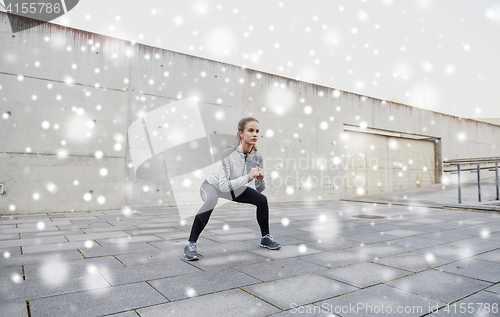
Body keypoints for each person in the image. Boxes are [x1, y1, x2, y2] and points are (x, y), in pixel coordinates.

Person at [184, 117, 281, 260]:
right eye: (251, 130)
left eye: (257, 131)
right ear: (241, 133)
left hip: (235, 189)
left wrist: (260, 180)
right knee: (211, 200)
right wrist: (249, 177)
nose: (255, 134)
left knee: (262, 199)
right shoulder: (228, 154)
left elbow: (260, 189)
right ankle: (190, 244)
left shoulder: (257, 157)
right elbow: (223, 185)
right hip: (212, 186)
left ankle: (265, 237)